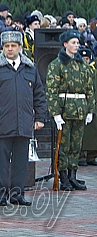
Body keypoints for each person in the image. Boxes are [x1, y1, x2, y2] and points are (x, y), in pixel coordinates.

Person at [0, 30, 47, 205]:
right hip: (1, 123)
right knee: (1, 163)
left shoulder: (30, 68)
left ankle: (17, 194)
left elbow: (39, 95)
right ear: (2, 47)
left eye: (13, 46)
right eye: (7, 46)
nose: (10, 49)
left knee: (20, 163)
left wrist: (40, 117)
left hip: (24, 123)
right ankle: (1, 195)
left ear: (20, 47)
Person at [46, 29, 94, 191]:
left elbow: (90, 89)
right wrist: (55, 113)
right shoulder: (57, 65)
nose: (76, 45)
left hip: (80, 110)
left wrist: (90, 110)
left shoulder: (83, 65)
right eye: (73, 43)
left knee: (76, 146)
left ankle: (73, 175)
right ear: (65, 44)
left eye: (77, 43)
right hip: (65, 110)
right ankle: (63, 177)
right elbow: (51, 90)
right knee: (64, 146)